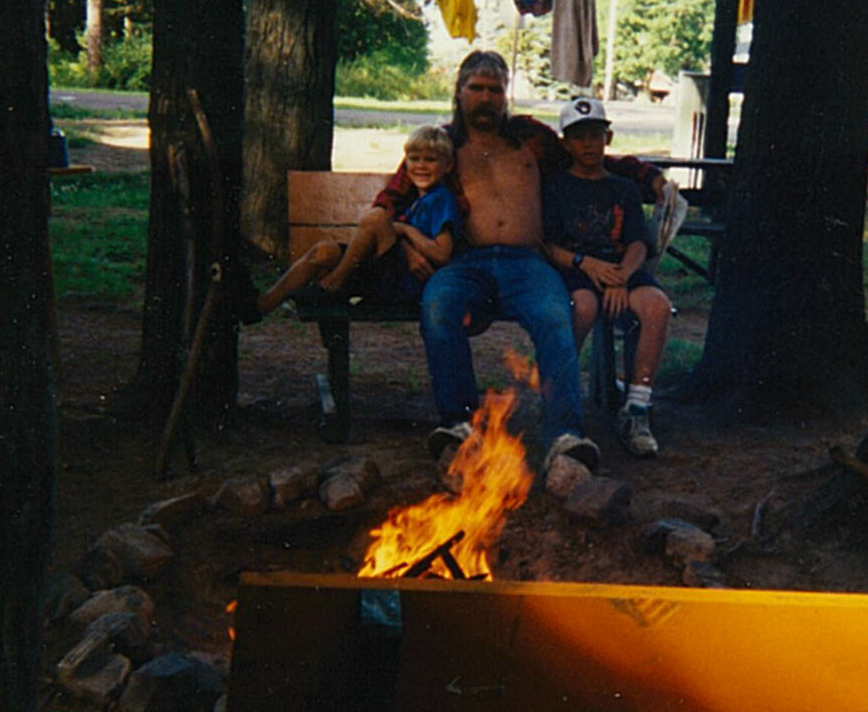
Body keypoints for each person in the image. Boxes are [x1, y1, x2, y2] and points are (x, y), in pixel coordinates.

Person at [416, 50, 604, 473]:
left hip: (528, 263)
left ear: (506, 95)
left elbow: (587, 159)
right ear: (459, 92)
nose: (486, 98)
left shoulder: (530, 139)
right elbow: (399, 193)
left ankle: (565, 436)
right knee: (438, 304)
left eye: (495, 90)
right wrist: (399, 235)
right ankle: (460, 425)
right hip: (467, 262)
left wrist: (650, 178)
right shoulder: (442, 144)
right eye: (477, 89)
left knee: (556, 315)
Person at [542, 97, 670, 457]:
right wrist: (585, 263)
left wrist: (623, 276)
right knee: (582, 307)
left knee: (657, 306)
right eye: (578, 137)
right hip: (577, 269)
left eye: (595, 136)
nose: (588, 145)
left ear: (608, 138)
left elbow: (638, 243)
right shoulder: (555, 186)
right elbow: (548, 245)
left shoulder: (623, 188)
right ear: (566, 143)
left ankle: (637, 408)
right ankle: (557, 399)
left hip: (620, 269)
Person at [245, 125, 462, 321]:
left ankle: (332, 285)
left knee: (375, 217)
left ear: (448, 165)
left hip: (406, 284)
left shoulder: (442, 199)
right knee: (324, 252)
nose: (421, 166)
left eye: (430, 160)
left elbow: (442, 254)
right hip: (385, 272)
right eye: (414, 159)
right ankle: (261, 306)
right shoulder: (414, 199)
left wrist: (405, 230)